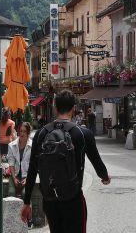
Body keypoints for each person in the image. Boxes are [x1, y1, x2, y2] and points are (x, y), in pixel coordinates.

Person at [21, 90, 111, 233]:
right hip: (73, 198)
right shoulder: (83, 133)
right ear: (73, 108)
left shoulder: (41, 133)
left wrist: (26, 202)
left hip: (49, 199)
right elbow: (96, 161)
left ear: (55, 108)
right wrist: (104, 177)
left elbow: (32, 169)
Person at [6, 122, 33, 197]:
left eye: (24, 131)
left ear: (28, 133)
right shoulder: (11, 145)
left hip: (27, 174)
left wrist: (27, 178)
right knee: (11, 193)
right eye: (21, 131)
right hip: (15, 174)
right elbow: (11, 162)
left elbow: (33, 164)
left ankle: (27, 208)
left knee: (25, 194)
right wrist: (14, 178)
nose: (22, 133)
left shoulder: (32, 146)